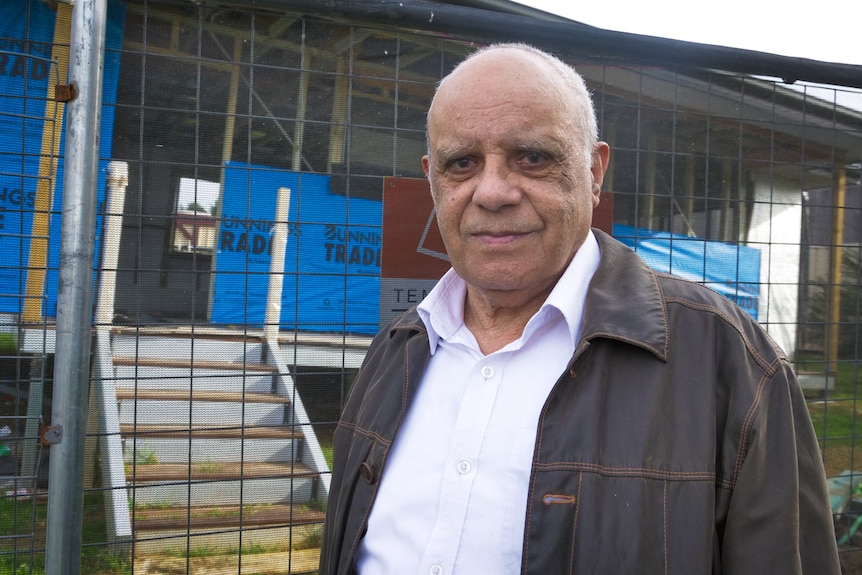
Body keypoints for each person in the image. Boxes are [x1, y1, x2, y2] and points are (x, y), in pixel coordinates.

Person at [319, 43, 841, 574]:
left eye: (533, 157)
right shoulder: (395, 352)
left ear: (595, 171)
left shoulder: (730, 363)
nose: (493, 192)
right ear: (433, 180)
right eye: (462, 163)